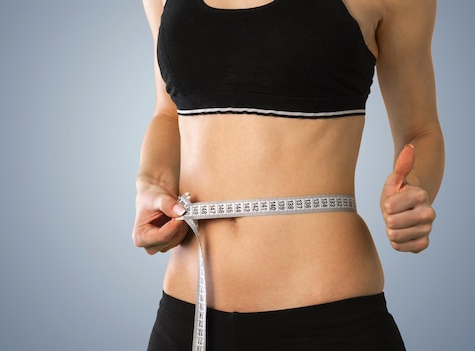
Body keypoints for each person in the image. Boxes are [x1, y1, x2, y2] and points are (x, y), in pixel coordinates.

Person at [132, 0, 444, 349]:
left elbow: (421, 131)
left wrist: (415, 189)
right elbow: (168, 112)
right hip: (186, 317)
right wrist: (151, 183)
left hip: (329, 320)